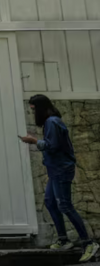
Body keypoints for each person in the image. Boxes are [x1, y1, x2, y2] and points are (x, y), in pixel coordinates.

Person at [20, 95, 99, 263]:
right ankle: (63, 239)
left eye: (33, 109)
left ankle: (89, 243)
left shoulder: (52, 122)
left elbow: (52, 146)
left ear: (40, 108)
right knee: (50, 202)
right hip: (56, 169)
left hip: (61, 169)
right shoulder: (52, 122)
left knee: (65, 205)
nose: (32, 112)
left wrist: (33, 141)